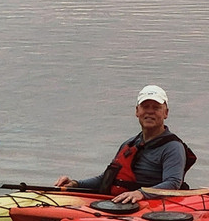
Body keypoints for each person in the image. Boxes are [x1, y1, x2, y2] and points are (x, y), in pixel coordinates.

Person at [55, 85, 196, 203]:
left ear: (165, 113)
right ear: (137, 111)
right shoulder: (129, 144)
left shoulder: (173, 147)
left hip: (150, 207)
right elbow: (107, 178)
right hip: (123, 204)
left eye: (156, 107)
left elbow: (173, 183)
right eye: (145, 107)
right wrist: (75, 184)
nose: (150, 112)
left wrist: (141, 194)